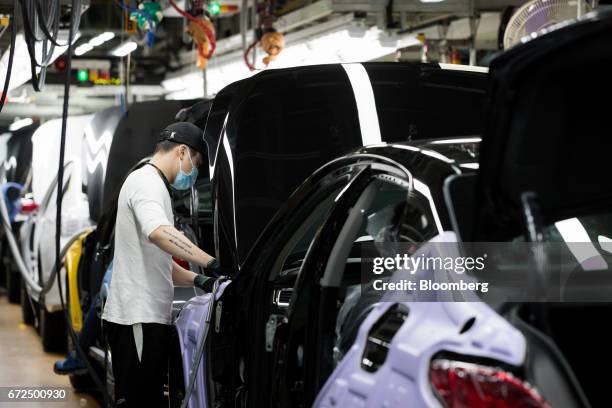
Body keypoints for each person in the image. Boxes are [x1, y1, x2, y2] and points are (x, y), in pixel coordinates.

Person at [102, 122, 219, 407]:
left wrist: (199, 280)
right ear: (182, 151)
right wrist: (210, 261)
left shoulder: (154, 185)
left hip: (145, 320)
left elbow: (158, 263)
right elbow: (159, 233)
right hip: (137, 320)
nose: (194, 172)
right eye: (196, 163)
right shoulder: (147, 182)